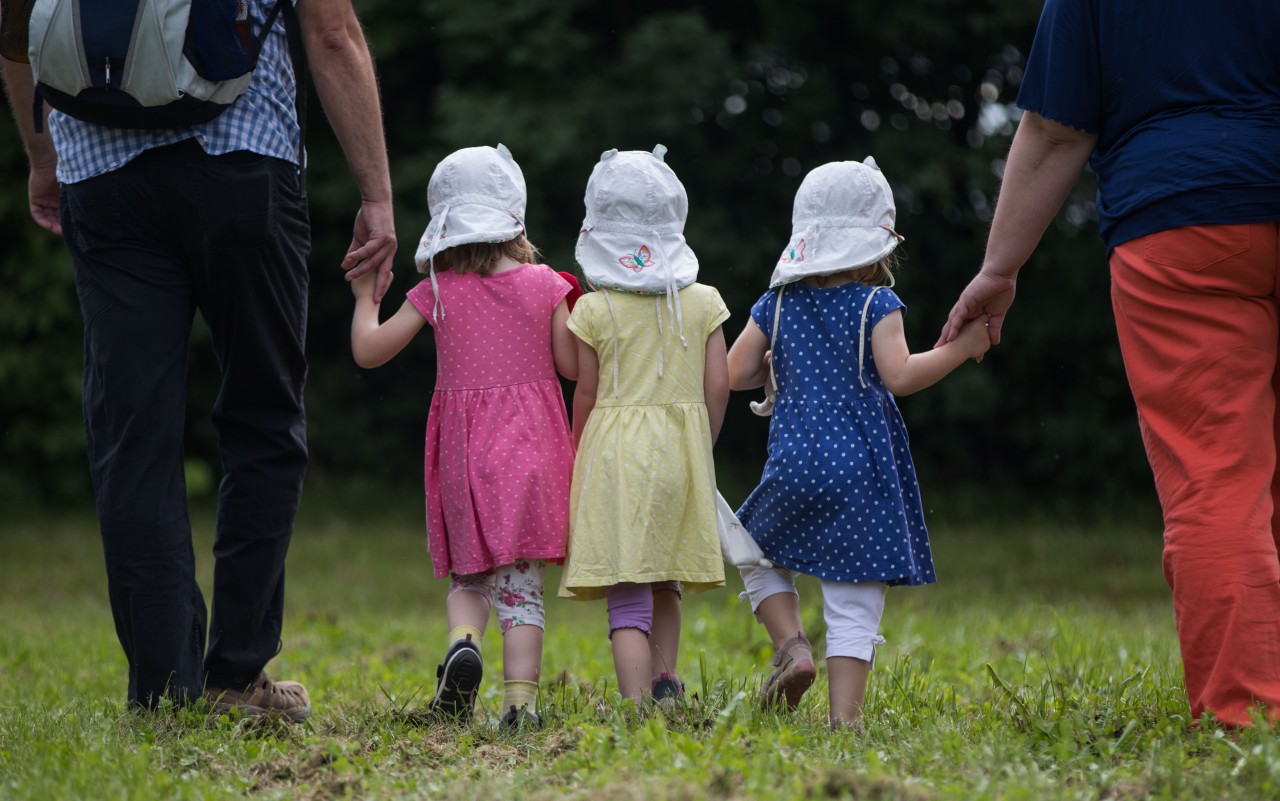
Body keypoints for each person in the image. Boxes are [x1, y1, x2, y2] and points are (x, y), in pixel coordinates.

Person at [0, 0, 397, 719]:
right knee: (263, 416)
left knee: (132, 436)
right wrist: (376, 195)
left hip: (102, 173)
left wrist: (43, 159)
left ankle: (162, 688)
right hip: (244, 159)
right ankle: (234, 676)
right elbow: (332, 31)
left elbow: (14, 31)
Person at [936, 0, 1280, 728]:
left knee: (1216, 478)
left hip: (1180, 223)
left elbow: (1057, 130)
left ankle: (1248, 717)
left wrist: (1000, 268)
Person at [729, 158, 990, 730]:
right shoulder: (876, 304)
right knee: (854, 599)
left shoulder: (776, 304)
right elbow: (899, 375)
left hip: (794, 463)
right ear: (876, 246)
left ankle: (792, 645)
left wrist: (776, 365)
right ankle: (843, 723)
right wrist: (961, 348)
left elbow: (734, 371)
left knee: (752, 553)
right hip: (859, 471)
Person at [350, 144, 578, 729]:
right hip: (533, 454)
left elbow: (369, 351)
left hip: (464, 455)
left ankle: (463, 640)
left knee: (469, 573)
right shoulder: (546, 285)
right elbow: (573, 366)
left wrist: (361, 300)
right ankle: (521, 706)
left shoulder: (439, 290)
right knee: (523, 588)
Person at [559, 146, 730, 704]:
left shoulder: (592, 309)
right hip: (680, 455)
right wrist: (702, 445)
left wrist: (577, 453)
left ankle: (635, 705)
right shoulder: (704, 302)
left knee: (626, 588)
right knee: (666, 577)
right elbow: (718, 385)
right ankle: (666, 682)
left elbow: (586, 391)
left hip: (613, 459)